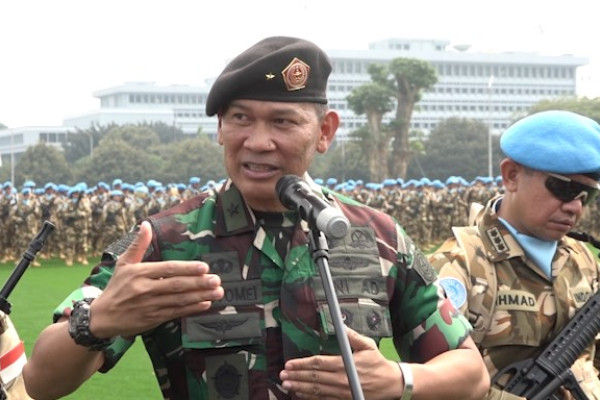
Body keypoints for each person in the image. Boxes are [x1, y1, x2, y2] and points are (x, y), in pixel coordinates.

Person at [23, 36, 489, 400]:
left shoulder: (378, 235)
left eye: (282, 122)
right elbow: (41, 381)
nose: (258, 141)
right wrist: (97, 321)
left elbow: (471, 373)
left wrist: (397, 379)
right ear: (219, 128)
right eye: (241, 119)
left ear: (324, 132)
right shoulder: (162, 241)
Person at [428, 110, 600, 399]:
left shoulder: (583, 260)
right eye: (563, 188)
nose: (575, 207)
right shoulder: (459, 265)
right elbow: (434, 385)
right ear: (511, 176)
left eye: (587, 195)